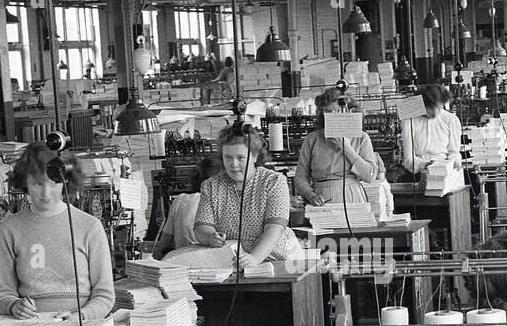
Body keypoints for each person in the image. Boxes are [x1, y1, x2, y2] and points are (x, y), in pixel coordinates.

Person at [0, 143, 116, 320]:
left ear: (67, 182)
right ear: (24, 182)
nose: (46, 192)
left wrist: (82, 316)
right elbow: (2, 293)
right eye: (37, 184)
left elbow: (105, 295)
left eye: (54, 184)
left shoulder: (90, 227)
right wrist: (14, 306)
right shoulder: (11, 228)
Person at [194, 123, 301, 264]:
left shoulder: (274, 182)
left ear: (254, 156)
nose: (233, 164)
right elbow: (201, 228)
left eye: (240, 158)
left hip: (276, 258)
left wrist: (255, 258)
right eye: (228, 157)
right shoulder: (211, 186)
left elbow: (274, 229)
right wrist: (210, 237)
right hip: (231, 259)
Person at [294, 88, 382, 206]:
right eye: (328, 112)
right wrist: (310, 195)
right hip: (321, 199)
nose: (332, 116)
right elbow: (300, 177)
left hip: (352, 197)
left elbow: (370, 176)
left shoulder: (361, 138)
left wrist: (347, 149)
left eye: (337, 111)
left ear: (348, 112)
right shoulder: (313, 139)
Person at [151, 157, 215, 259]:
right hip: (210, 262)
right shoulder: (215, 202)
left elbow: (164, 242)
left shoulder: (180, 200)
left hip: (182, 263)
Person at [400, 84, 462, 176]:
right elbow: (409, 159)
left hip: (445, 171)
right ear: (422, 105)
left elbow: (454, 152)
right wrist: (423, 165)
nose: (435, 112)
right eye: (431, 108)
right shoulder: (410, 120)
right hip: (418, 172)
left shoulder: (451, 120)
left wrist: (452, 162)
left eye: (439, 108)